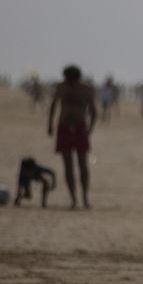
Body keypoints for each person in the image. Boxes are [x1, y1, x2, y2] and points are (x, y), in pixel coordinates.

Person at [47, 65, 98, 209]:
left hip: (80, 127)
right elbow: (53, 105)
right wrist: (50, 124)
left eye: (70, 79)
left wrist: (90, 128)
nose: (68, 82)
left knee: (82, 165)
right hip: (64, 127)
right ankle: (73, 199)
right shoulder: (61, 88)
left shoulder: (86, 90)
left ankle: (85, 198)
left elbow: (94, 111)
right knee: (68, 165)